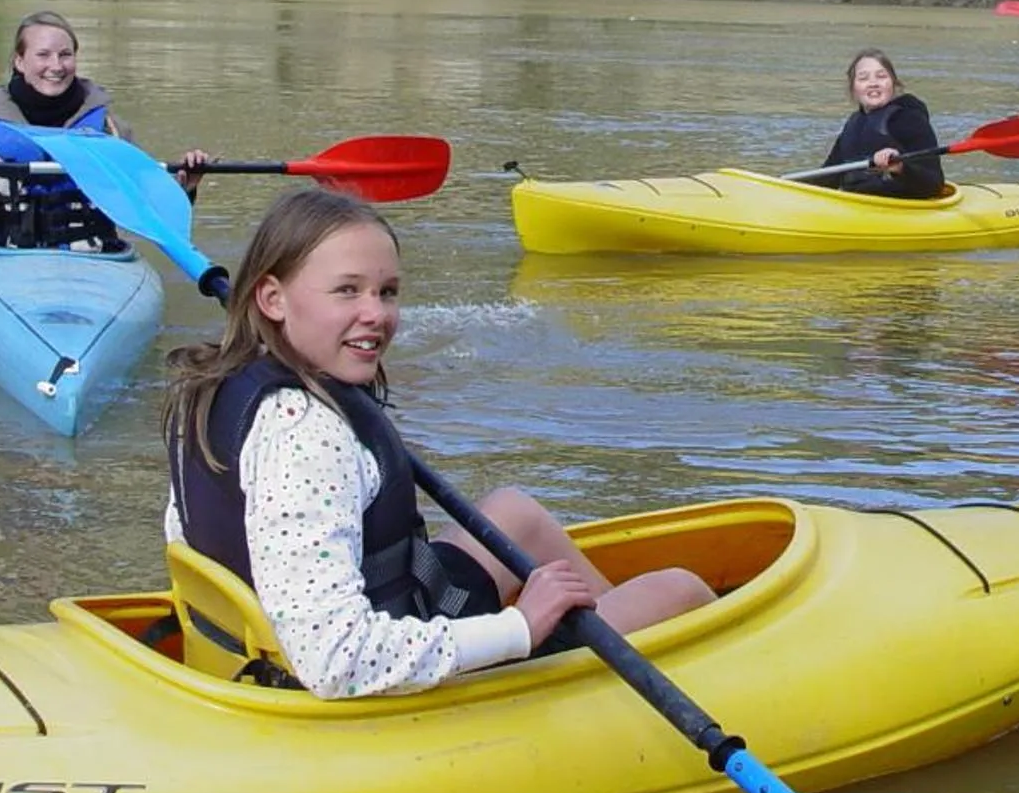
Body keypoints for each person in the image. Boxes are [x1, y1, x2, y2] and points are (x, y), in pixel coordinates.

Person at [162, 187, 715, 700]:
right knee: (679, 590)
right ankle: (634, 673)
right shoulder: (305, 435)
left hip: (294, 637)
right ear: (272, 298)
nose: (376, 314)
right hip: (348, 686)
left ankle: (607, 667)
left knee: (514, 514)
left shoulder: (220, 386)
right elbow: (334, 658)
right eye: (347, 290)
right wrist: (519, 628)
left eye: (387, 291)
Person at [0, 10, 208, 249]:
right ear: (20, 61)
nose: (56, 66)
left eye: (65, 55)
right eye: (43, 55)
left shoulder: (108, 126)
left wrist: (184, 186)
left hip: (96, 259)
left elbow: (146, 203)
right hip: (7, 258)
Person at [817, 49, 946, 199]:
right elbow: (828, 177)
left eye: (881, 76)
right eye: (863, 78)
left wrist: (901, 168)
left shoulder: (909, 119)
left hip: (900, 204)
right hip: (856, 202)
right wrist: (793, 187)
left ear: (893, 83)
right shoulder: (853, 124)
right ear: (853, 89)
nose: (873, 84)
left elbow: (934, 184)